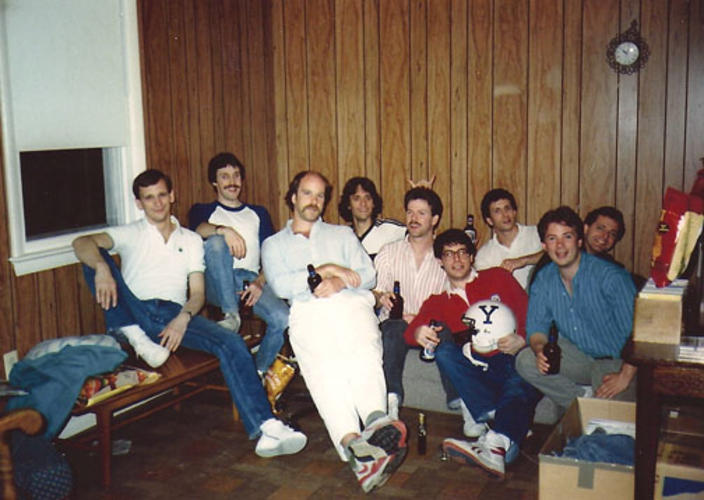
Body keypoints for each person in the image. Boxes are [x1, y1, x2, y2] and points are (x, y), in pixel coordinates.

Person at [72, 169, 306, 458]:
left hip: (174, 315)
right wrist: (103, 269)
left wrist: (182, 319)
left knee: (231, 343)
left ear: (172, 196)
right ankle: (136, 335)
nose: (156, 203)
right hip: (135, 308)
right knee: (94, 257)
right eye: (148, 198)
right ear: (138, 203)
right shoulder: (130, 233)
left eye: (161, 195)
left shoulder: (192, 240)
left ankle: (268, 426)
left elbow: (197, 294)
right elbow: (80, 243)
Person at [261, 171, 407, 493]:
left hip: (349, 302)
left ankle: (374, 422)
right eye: (307, 193)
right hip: (308, 311)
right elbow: (282, 284)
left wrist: (340, 281)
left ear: (325, 200)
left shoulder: (342, 235)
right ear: (293, 197)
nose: (313, 201)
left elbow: (367, 275)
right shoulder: (274, 244)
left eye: (319, 195)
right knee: (323, 372)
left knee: (363, 351)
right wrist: (326, 268)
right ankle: (353, 442)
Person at [404, 229, 540, 479]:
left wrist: (521, 338)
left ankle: (497, 441)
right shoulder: (438, 301)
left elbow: (532, 313)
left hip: (511, 358)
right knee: (444, 351)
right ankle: (502, 422)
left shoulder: (497, 277)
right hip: (477, 371)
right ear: (440, 261)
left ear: (472, 256)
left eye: (462, 252)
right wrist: (418, 332)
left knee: (522, 368)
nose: (456, 259)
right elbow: (410, 331)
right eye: (448, 254)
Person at [515, 206, 637, 413]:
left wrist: (625, 376)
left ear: (579, 241)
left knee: (612, 428)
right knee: (525, 360)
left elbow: (641, 333)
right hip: (581, 357)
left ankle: (596, 410)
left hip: (617, 362)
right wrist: (539, 351)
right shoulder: (544, 279)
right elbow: (536, 330)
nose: (560, 245)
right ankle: (582, 401)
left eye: (567, 236)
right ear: (544, 245)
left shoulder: (611, 277)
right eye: (552, 239)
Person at [187, 152, 289, 377]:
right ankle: (231, 314)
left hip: (250, 281)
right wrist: (225, 230)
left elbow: (270, 257)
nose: (232, 182)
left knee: (283, 318)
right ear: (214, 182)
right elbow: (196, 230)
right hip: (216, 281)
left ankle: (257, 374)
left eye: (236, 176)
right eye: (224, 176)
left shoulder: (258, 213)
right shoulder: (203, 211)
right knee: (215, 242)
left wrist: (260, 283)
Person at [373, 187, 453, 418]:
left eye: (421, 213)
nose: (413, 219)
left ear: (435, 219)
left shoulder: (445, 257)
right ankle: (391, 402)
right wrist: (380, 297)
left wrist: (420, 321)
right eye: (410, 212)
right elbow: (376, 295)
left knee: (444, 330)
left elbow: (451, 301)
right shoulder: (389, 252)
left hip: (430, 327)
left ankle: (463, 404)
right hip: (395, 327)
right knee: (393, 326)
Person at [474, 188, 543, 289]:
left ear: (514, 212)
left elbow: (554, 255)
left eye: (507, 208)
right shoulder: (484, 255)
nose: (505, 215)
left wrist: (523, 261)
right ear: (489, 220)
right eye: (497, 211)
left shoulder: (536, 233)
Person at [338, 176, 406, 260]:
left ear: (374, 203)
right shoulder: (343, 236)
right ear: (348, 204)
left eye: (368, 198)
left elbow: (421, 237)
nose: (363, 203)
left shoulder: (390, 229)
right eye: (356, 198)